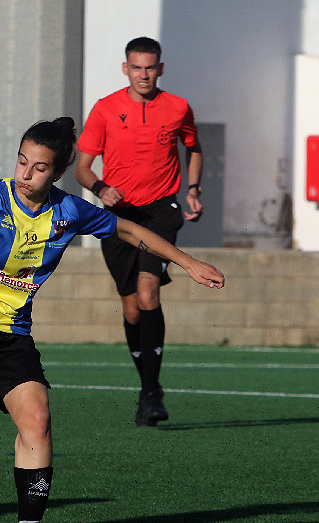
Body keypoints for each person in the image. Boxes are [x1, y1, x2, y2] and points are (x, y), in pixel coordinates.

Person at [0, 117, 224, 523]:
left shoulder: (68, 211)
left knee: (37, 417)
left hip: (12, 332)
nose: (25, 174)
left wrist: (187, 262)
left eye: (38, 167)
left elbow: (129, 230)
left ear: (57, 173)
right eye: (21, 161)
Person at [74, 36, 204, 426]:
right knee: (132, 308)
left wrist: (193, 189)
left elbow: (194, 147)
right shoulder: (106, 109)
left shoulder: (178, 107)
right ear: (125, 68)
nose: (144, 74)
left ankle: (151, 393)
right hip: (118, 216)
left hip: (162, 211)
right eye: (137, 67)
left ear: (160, 69)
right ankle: (147, 388)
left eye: (150, 67)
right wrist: (100, 188)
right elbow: (82, 168)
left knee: (148, 291)